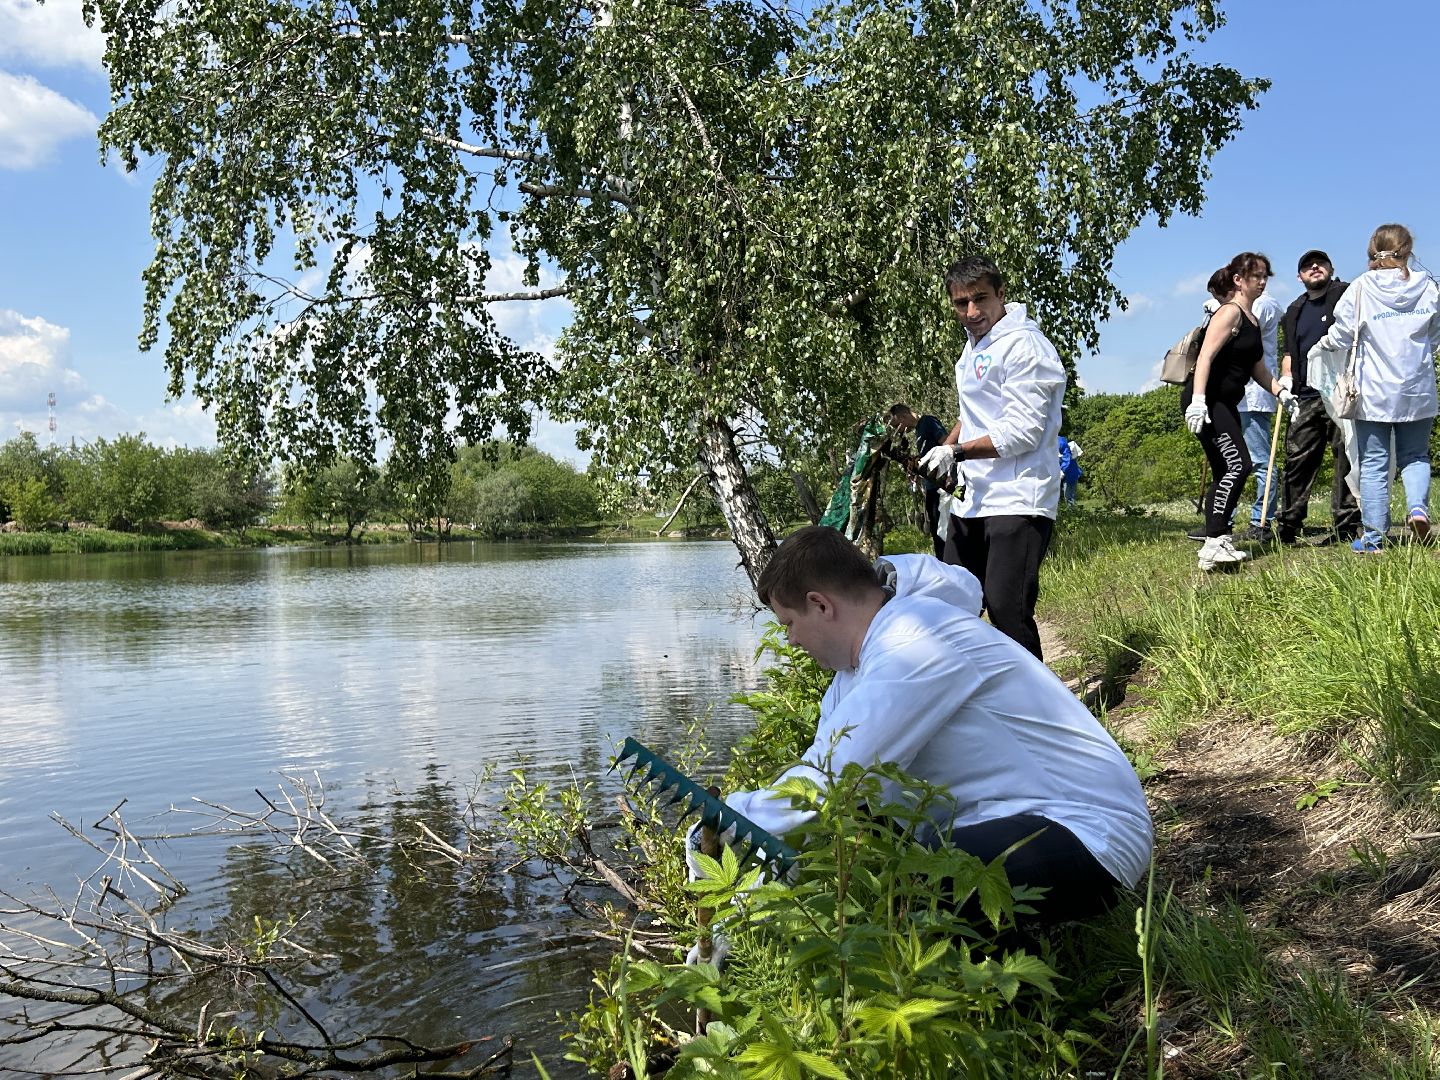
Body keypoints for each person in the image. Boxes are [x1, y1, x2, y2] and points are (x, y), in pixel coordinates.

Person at [712, 525, 1153, 926]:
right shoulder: (858, 671)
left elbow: (836, 779)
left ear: (820, 605)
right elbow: (822, 775)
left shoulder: (915, 642)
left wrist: (727, 819)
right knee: (870, 861)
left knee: (903, 893)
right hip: (1009, 816)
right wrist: (745, 899)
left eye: (790, 624)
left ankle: (1013, 1001)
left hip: (1087, 831)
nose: (790, 640)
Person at [918, 255, 1065, 660]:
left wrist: (957, 452)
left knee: (1007, 608)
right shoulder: (972, 349)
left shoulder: (1025, 346)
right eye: (961, 303)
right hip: (974, 498)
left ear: (1001, 293)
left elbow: (1024, 430)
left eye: (980, 299)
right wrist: (941, 451)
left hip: (1019, 495)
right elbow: (974, 416)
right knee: (952, 602)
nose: (971, 311)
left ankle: (1042, 714)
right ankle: (980, 704)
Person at [1314, 225, 1439, 553]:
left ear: (1372, 252)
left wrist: (1324, 344)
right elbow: (1435, 336)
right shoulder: (1427, 287)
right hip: (1418, 386)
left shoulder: (1360, 288)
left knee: (1373, 462)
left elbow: (1342, 335)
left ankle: (1374, 539)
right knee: (1415, 455)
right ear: (1408, 249)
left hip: (1373, 390)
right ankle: (1417, 510)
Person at [1183, 252, 1298, 571]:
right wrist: (1197, 400)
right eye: (1256, 276)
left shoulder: (1252, 319)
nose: (1262, 282)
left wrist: (1280, 392)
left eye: (1265, 277)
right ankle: (1215, 541)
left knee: (1226, 469)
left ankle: (1215, 542)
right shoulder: (1229, 313)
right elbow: (1205, 358)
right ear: (1238, 280)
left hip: (1226, 402)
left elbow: (1257, 367)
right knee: (1239, 464)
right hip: (1209, 400)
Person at [1275, 249, 1361, 545]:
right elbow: (1289, 352)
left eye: (1320, 263)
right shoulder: (1293, 310)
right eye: (1307, 266)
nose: (1315, 267)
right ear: (1299, 276)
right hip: (1306, 394)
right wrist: (1286, 379)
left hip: (1342, 389)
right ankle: (1288, 524)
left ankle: (1347, 525)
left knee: (1346, 456)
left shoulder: (1346, 294)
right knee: (1297, 458)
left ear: (1330, 268)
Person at [1235, 278, 1286, 540]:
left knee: (1260, 460)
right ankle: (1224, 520)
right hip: (1236, 395)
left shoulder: (1263, 305)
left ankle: (1261, 520)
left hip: (1254, 394)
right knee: (1231, 459)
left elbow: (1242, 331)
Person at [888, 403, 949, 557]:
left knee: (943, 533)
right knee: (936, 532)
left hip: (941, 488)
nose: (899, 430)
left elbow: (947, 443)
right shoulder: (918, 431)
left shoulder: (928, 422)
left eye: (897, 425)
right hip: (930, 488)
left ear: (904, 417)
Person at [1057, 435, 1082, 506]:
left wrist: (1061, 472)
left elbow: (1065, 464)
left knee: (1069, 495)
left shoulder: (1067, 457)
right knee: (1069, 494)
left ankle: (1071, 510)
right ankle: (1071, 510)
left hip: (1070, 476)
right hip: (1071, 476)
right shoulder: (1067, 455)